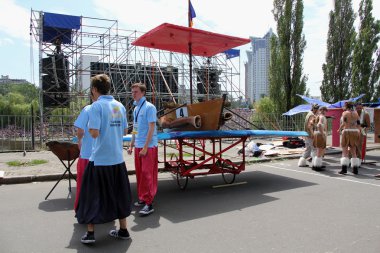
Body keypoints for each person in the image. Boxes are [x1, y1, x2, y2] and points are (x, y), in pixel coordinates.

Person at [76, 74, 132, 244]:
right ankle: (123, 230)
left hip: (99, 160)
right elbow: (124, 132)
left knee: (91, 195)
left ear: (94, 89)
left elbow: (93, 132)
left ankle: (91, 234)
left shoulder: (96, 106)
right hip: (117, 158)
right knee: (119, 194)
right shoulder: (118, 106)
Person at [127, 82, 158, 216]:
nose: (133, 94)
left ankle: (149, 203)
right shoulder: (136, 109)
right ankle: (142, 198)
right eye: (132, 92)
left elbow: (152, 127)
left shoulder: (149, 107)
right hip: (139, 145)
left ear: (143, 93)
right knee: (140, 173)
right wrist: (131, 144)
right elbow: (135, 127)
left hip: (148, 146)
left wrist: (145, 146)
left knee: (147, 174)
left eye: (136, 92)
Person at [73, 94, 96, 211]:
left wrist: (79, 140)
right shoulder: (117, 108)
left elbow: (80, 130)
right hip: (108, 157)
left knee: (84, 184)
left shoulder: (88, 109)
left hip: (88, 154)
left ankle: (83, 209)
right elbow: (124, 130)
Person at [338, 101, 360, 175]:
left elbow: (344, 123)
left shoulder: (345, 113)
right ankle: (355, 169)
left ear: (346, 106)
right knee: (353, 150)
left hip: (347, 131)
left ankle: (344, 169)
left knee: (345, 150)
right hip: (355, 131)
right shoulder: (356, 113)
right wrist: (358, 131)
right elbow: (358, 124)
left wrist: (339, 129)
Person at [312, 106, 328, 171]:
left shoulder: (317, 116)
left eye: (325, 110)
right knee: (320, 151)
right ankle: (317, 166)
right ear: (321, 110)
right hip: (319, 134)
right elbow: (319, 125)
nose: (324, 111)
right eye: (323, 110)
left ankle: (316, 164)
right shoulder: (321, 117)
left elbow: (314, 124)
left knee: (318, 150)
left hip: (316, 133)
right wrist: (322, 134)